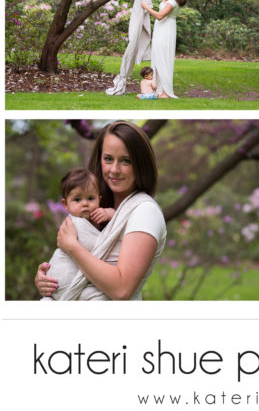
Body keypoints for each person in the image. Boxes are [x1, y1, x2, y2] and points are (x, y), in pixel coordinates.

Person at [35, 121, 166, 301]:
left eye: (126, 161)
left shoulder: (145, 211)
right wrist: (48, 277)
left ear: (140, 164)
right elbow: (78, 257)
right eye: (108, 159)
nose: (114, 169)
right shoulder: (95, 204)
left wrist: (72, 247)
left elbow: (122, 289)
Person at [41, 168, 112, 301]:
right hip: (58, 282)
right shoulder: (73, 224)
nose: (85, 203)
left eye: (90, 198)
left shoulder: (95, 221)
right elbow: (99, 247)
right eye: (77, 199)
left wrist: (108, 213)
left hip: (73, 287)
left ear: (99, 200)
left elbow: (117, 220)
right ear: (65, 204)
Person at [141, 0, 188, 99]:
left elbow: (160, 16)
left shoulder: (173, 1)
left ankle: (166, 92)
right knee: (157, 57)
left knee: (163, 59)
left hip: (166, 30)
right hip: (161, 29)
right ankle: (158, 88)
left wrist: (146, 8)